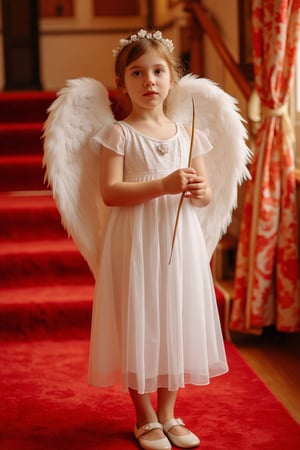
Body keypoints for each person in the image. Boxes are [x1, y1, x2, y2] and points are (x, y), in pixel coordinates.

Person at [87, 29, 229, 450]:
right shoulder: (119, 135)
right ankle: (144, 416)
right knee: (140, 319)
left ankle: (169, 413)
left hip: (177, 241)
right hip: (134, 241)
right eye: (137, 72)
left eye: (158, 71)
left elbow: (204, 194)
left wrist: (201, 193)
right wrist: (164, 184)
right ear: (122, 82)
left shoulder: (188, 134)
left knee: (174, 318)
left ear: (172, 79)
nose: (149, 80)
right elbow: (111, 193)